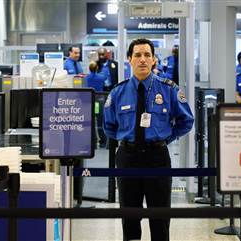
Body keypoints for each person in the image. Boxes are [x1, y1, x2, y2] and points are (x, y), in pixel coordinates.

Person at [103, 38, 194, 241]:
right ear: (129, 59)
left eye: (147, 55)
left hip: (158, 158)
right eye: (137, 55)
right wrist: (128, 139)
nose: (142, 59)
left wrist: (164, 139)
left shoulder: (169, 89)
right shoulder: (118, 92)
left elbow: (186, 121)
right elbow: (109, 126)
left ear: (154, 60)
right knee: (129, 215)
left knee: (160, 216)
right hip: (128, 158)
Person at [85, 61, 107, 148]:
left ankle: (93, 142)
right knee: (100, 121)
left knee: (91, 121)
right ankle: (103, 142)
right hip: (99, 100)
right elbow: (106, 78)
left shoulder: (87, 78)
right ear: (97, 68)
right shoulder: (101, 77)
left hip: (90, 100)